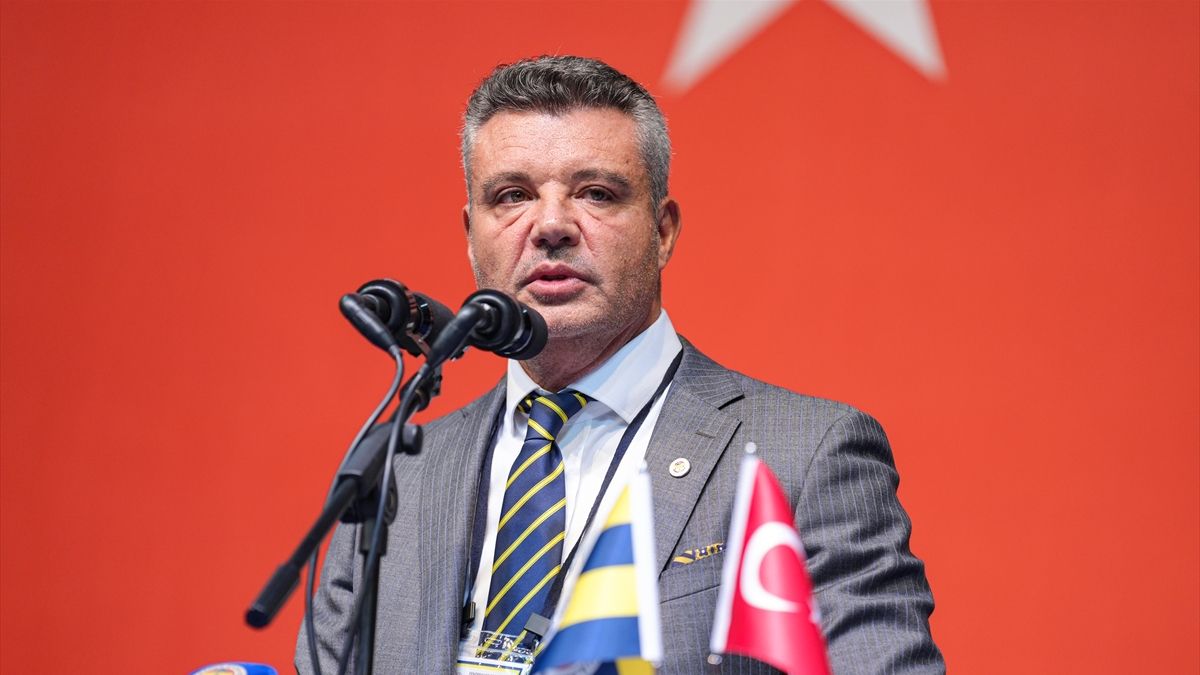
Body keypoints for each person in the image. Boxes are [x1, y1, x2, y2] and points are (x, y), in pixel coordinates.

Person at [299, 55, 943, 674]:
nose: (551, 225)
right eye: (513, 195)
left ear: (663, 231)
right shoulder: (394, 477)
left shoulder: (801, 457)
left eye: (597, 193)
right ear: (472, 235)